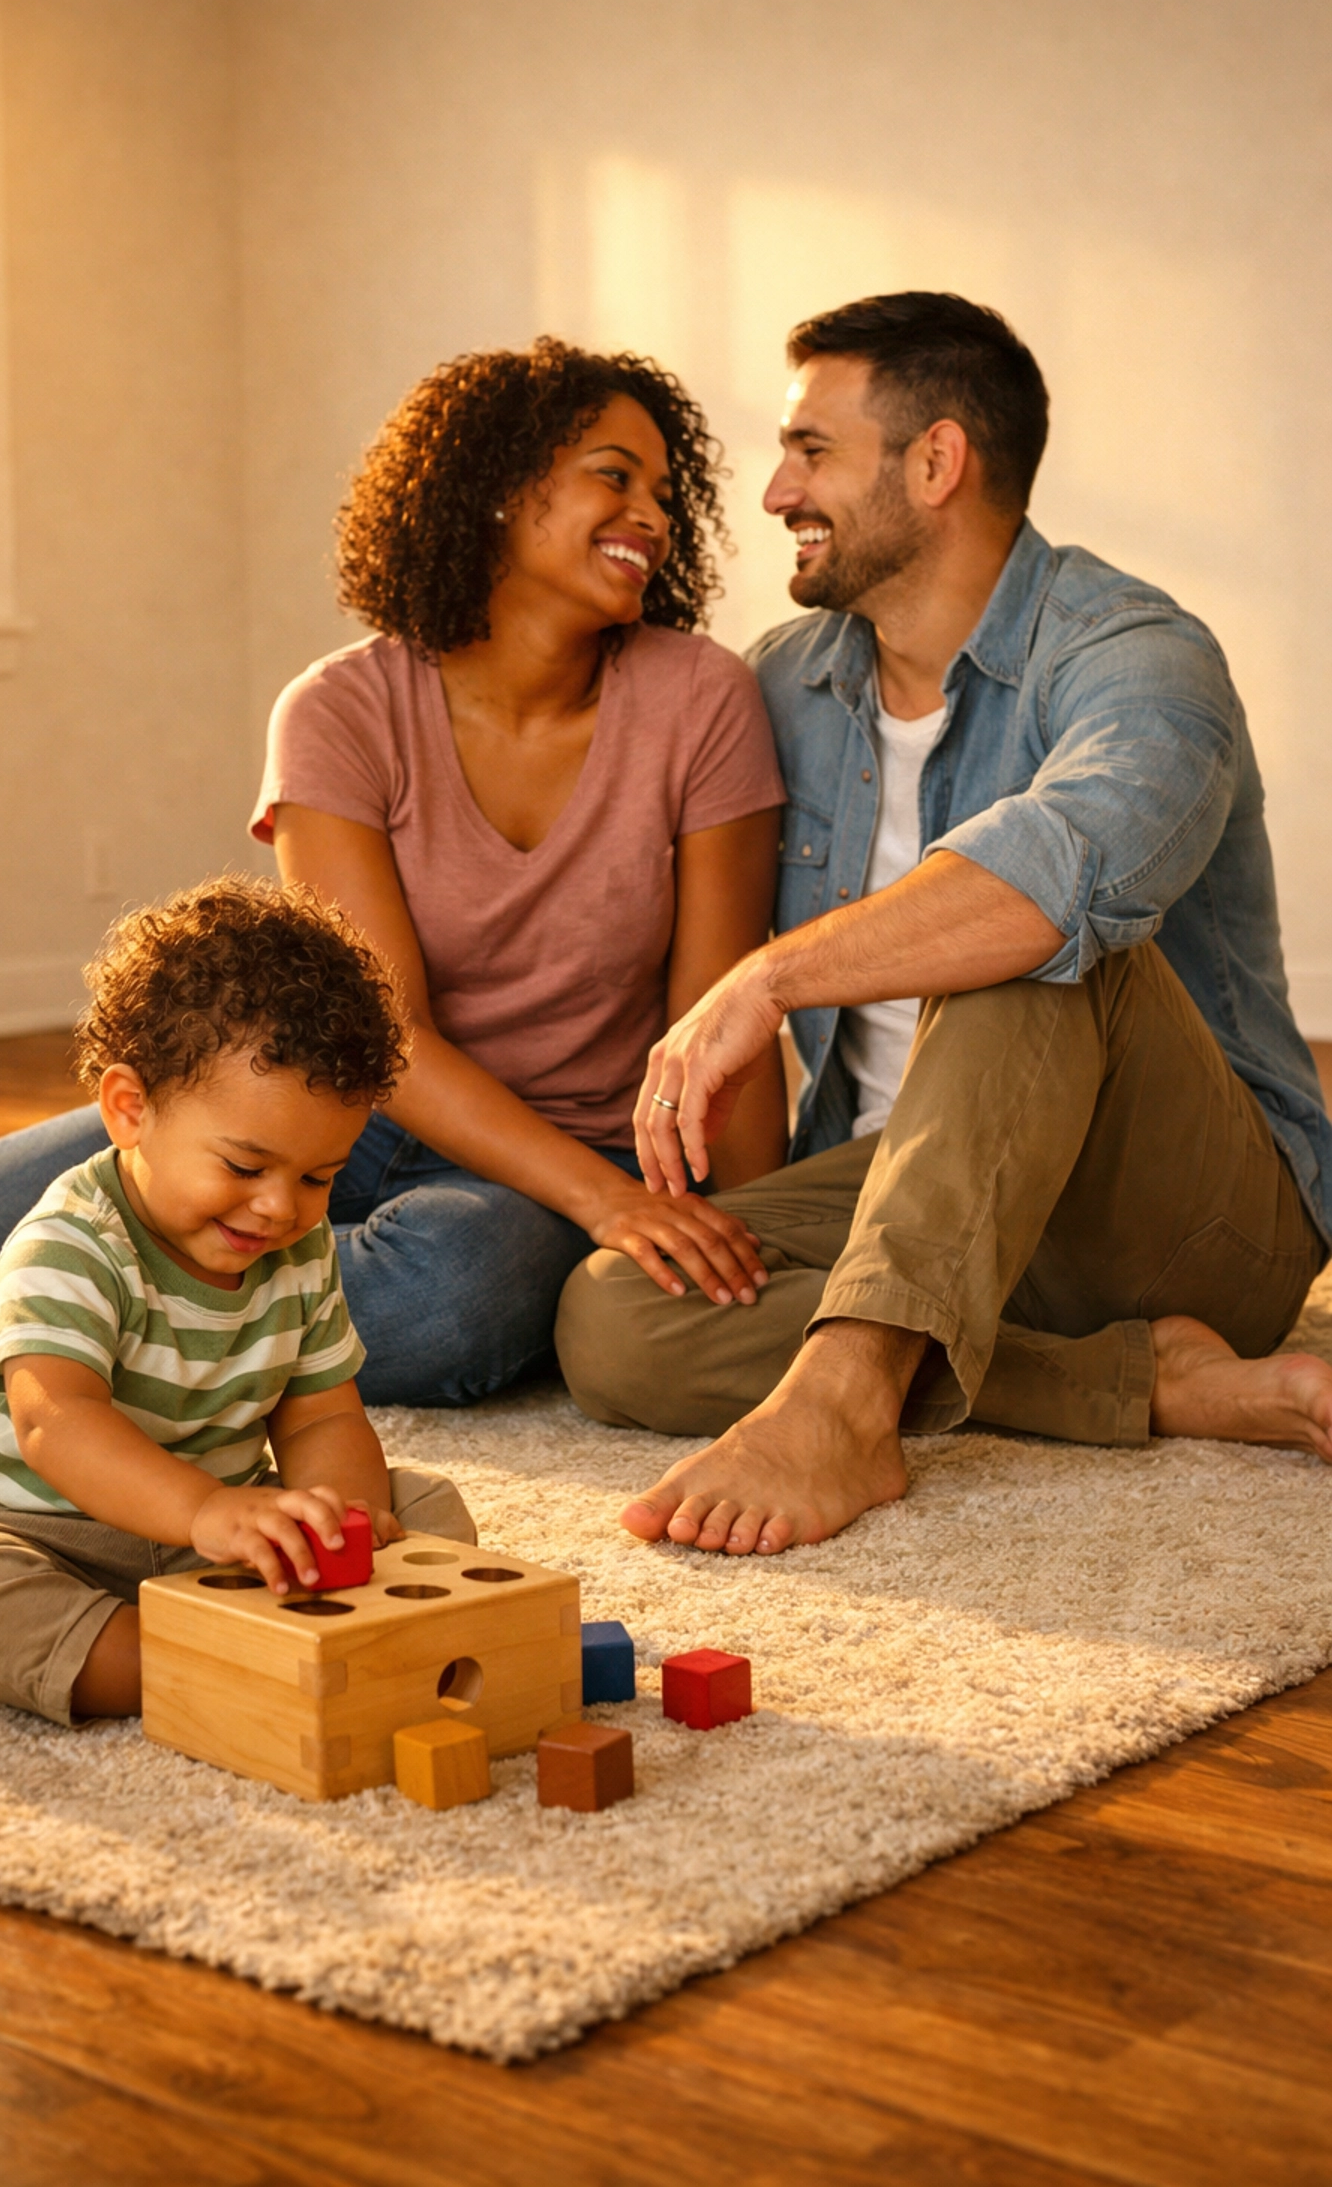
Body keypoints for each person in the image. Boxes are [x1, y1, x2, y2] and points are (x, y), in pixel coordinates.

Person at [0, 337, 789, 1403]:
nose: (653, 517)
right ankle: (199, 1311)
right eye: (615, 477)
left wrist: (723, 1229)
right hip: (339, 1113)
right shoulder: (340, 710)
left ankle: (124, 1316)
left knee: (448, 1300)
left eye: (665, 493)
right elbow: (390, 1035)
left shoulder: (701, 699)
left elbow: (723, 1023)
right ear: (492, 486)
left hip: (570, 1157)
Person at [555, 291, 1332, 1555]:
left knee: (1017, 925)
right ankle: (1149, 1383)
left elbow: (1056, 876)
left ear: (935, 463)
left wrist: (766, 981)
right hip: (907, 1193)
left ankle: (845, 1402)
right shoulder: (786, 682)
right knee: (615, 1315)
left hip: (1184, 1220)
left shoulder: (1141, 654)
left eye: (812, 451)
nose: (776, 492)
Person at [0, 878, 474, 1727]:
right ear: (130, 1110)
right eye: (244, 1166)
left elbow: (320, 1419)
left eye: (319, 1177)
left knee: (423, 1508)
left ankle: (285, 1632)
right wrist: (204, 1509)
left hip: (216, 1544)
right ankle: (195, 1662)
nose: (279, 1207)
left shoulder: (298, 1249)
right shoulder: (72, 1245)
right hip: (39, 1532)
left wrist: (342, 1526)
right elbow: (55, 1422)